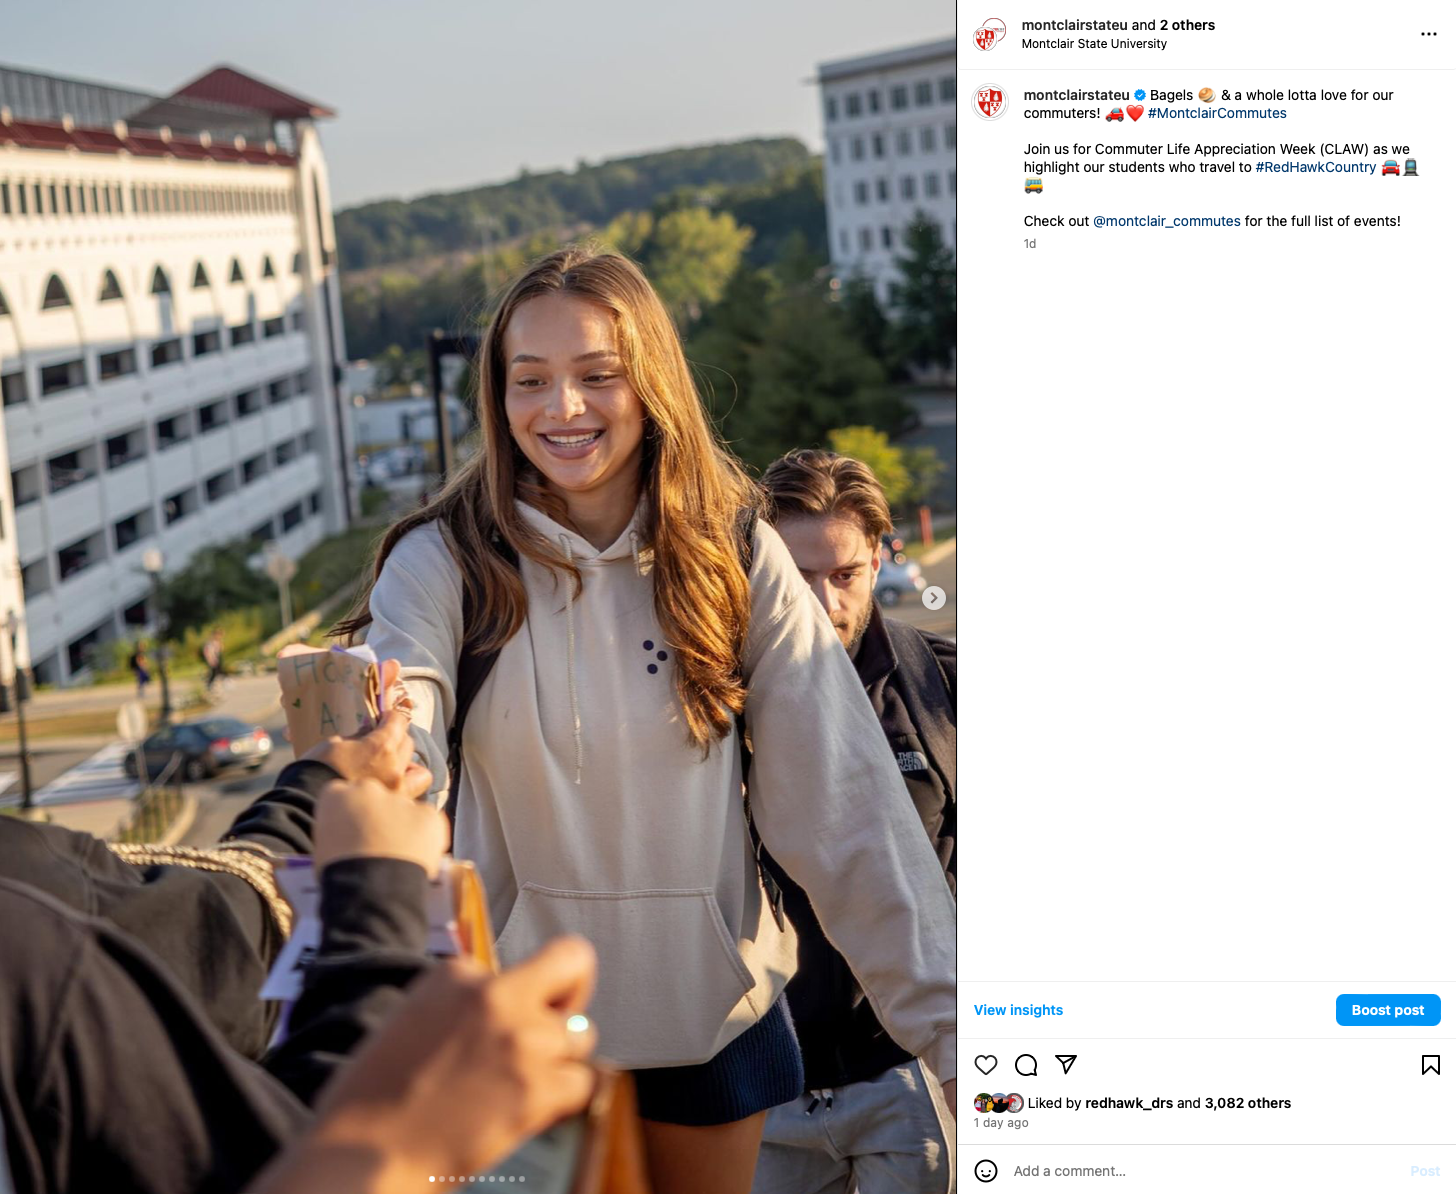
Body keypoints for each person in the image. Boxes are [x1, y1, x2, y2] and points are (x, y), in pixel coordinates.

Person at [340, 247, 956, 1194]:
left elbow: (846, 809)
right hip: (515, 1037)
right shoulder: (444, 562)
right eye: (530, 380)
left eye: (598, 376)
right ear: (497, 398)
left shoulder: (732, 553)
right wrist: (389, 752)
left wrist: (955, 1040)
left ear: (652, 382)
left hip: (711, 1025)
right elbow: (406, 700)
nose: (563, 408)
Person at [0, 709, 600, 1194]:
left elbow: (155, 914)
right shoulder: (34, 969)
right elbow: (280, 1151)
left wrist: (311, 795)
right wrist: (378, 906)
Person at [754, 449, 956, 1194]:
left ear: (878, 557)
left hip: (908, 1079)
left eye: (844, 575)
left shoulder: (941, 687)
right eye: (797, 577)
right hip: (762, 1085)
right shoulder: (709, 706)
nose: (822, 602)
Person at [202, 628, 226, 693]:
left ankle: (210, 684)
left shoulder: (217, 642)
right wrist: (211, 659)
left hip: (217, 658)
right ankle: (210, 684)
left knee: (216, 672)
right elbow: (208, 652)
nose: (219, 637)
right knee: (215, 672)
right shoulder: (211, 642)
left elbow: (221, 649)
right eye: (218, 635)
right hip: (213, 659)